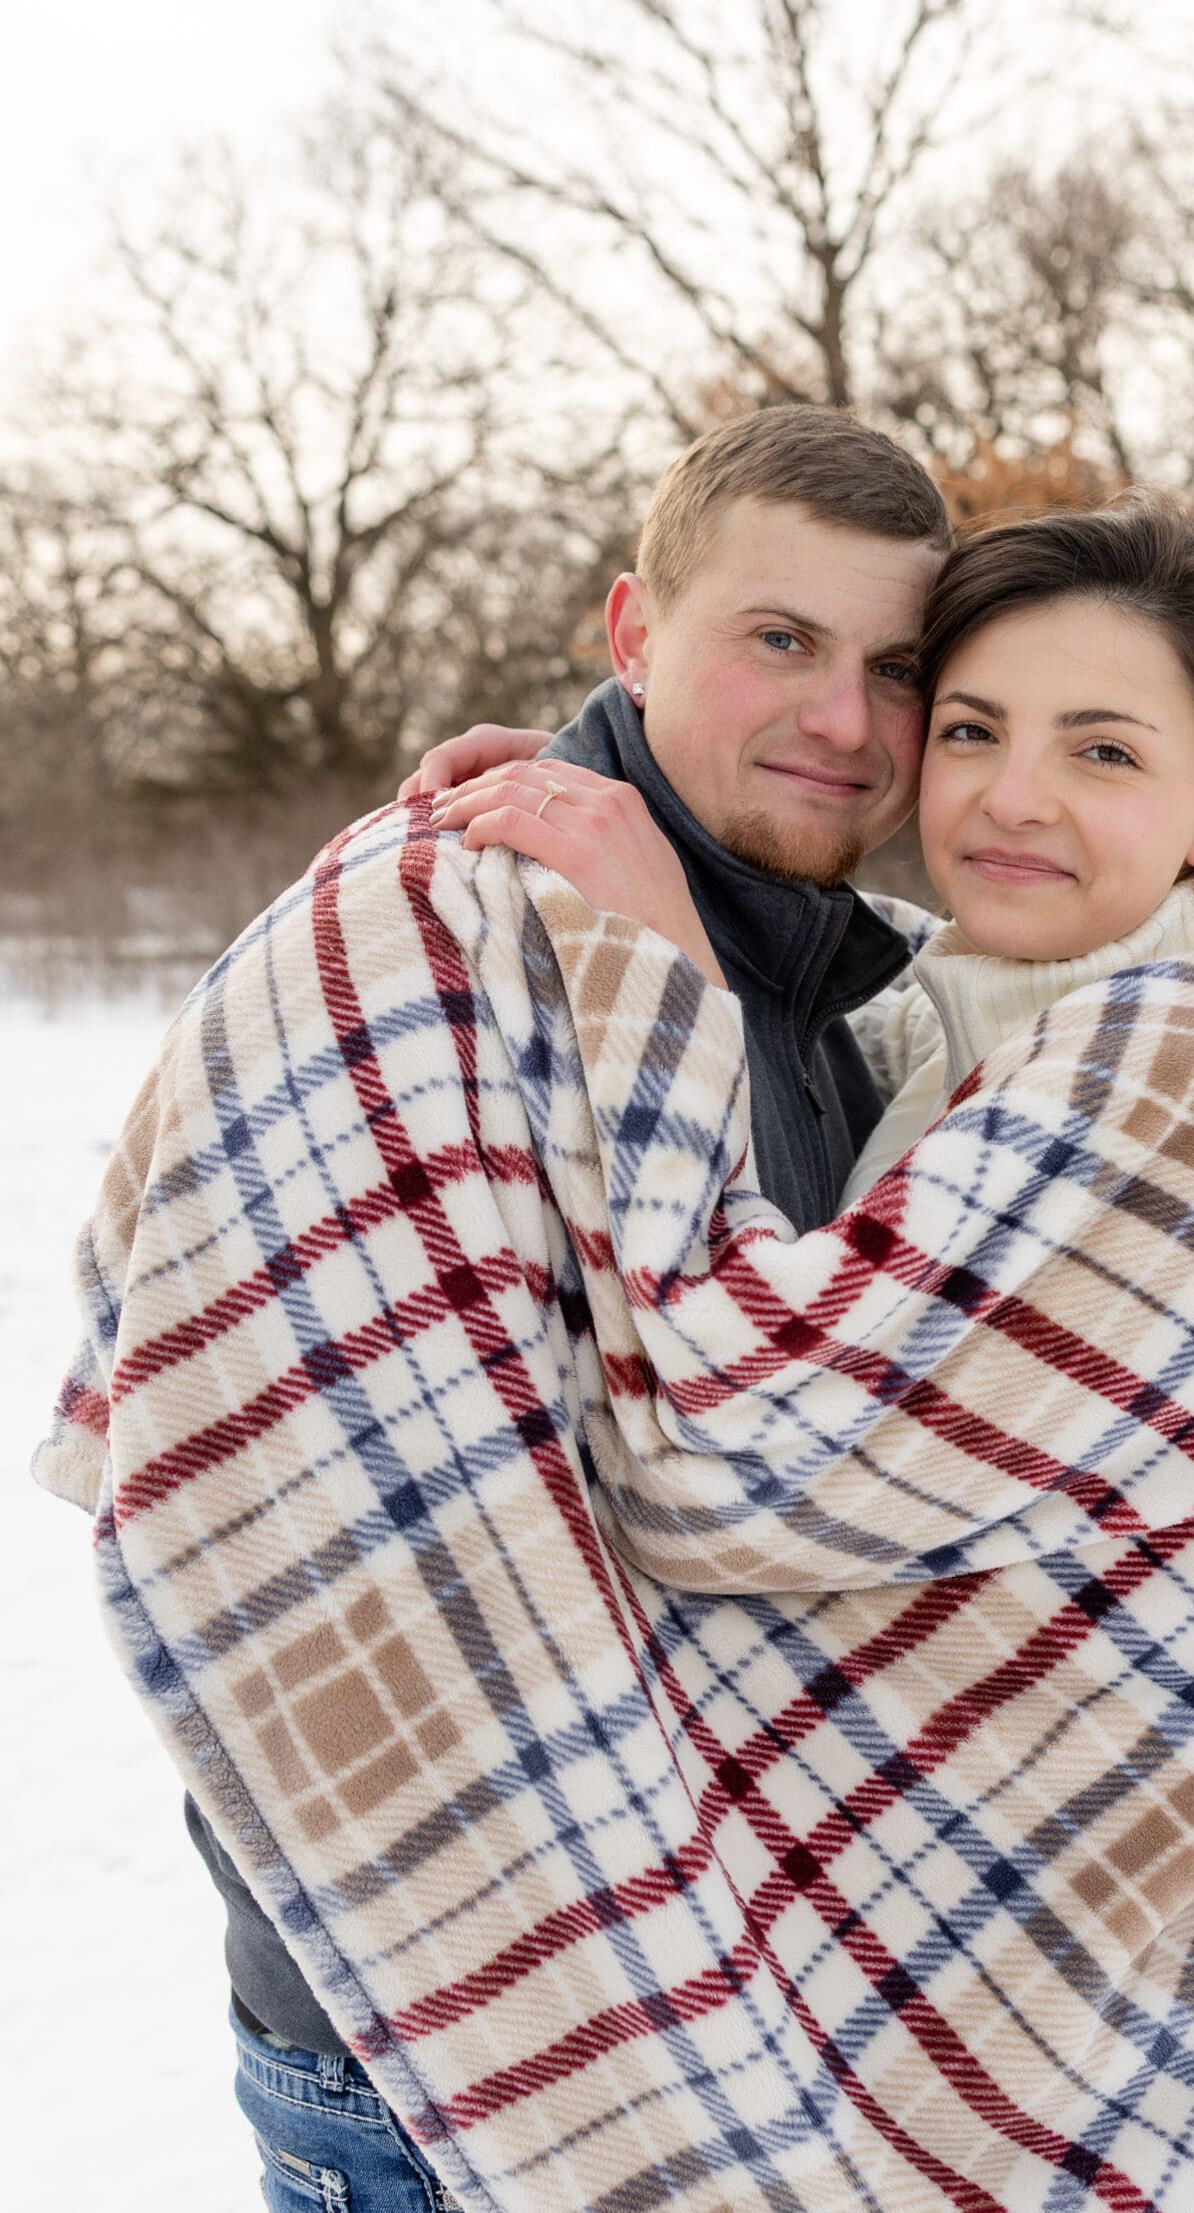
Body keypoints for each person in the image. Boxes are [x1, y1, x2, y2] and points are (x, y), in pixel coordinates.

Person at [389, 499, 1194, 2209]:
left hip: (1105, 2042)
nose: (1015, 799)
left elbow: (738, 1451)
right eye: (971, 732)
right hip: (982, 1999)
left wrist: (645, 943)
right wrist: (625, 785)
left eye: (1102, 749)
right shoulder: (957, 1033)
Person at [37, 403, 953, 2213]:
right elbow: (316, 1523)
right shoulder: (434, 933)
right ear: (632, 631)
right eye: (781, 639)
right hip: (436, 2062)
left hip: (750, 2029)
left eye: (900, 667)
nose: (846, 720)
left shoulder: (827, 975)